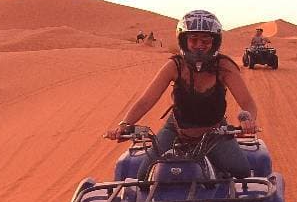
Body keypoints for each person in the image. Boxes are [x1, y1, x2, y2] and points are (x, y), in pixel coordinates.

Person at [106, 9, 258, 178]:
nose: (199, 45)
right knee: (145, 175)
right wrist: (124, 124)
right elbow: (145, 101)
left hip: (215, 132)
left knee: (241, 172)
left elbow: (247, 103)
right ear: (184, 41)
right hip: (176, 129)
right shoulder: (175, 65)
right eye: (193, 40)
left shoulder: (224, 66)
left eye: (205, 40)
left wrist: (247, 118)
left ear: (214, 42)